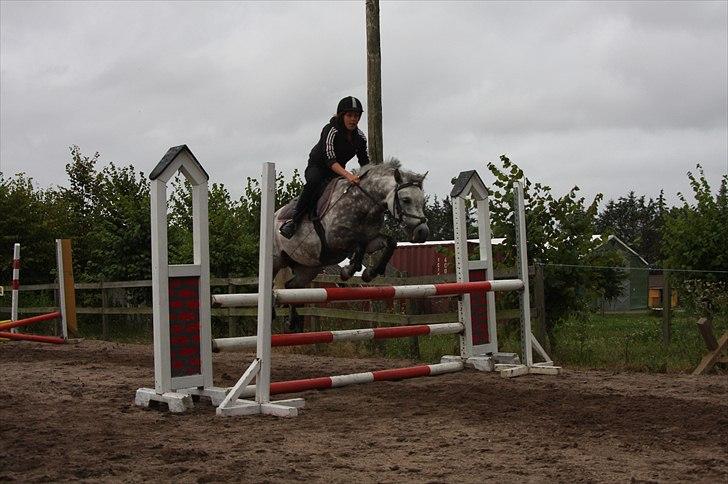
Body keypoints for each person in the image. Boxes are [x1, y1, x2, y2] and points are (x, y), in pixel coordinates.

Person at [279, 96, 370, 238]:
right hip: (318, 167)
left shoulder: (360, 137)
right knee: (314, 182)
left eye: (357, 116)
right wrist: (348, 175)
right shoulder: (330, 130)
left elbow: (364, 161)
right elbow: (330, 160)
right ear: (341, 116)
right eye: (349, 115)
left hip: (336, 172)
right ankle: (294, 221)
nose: (353, 119)